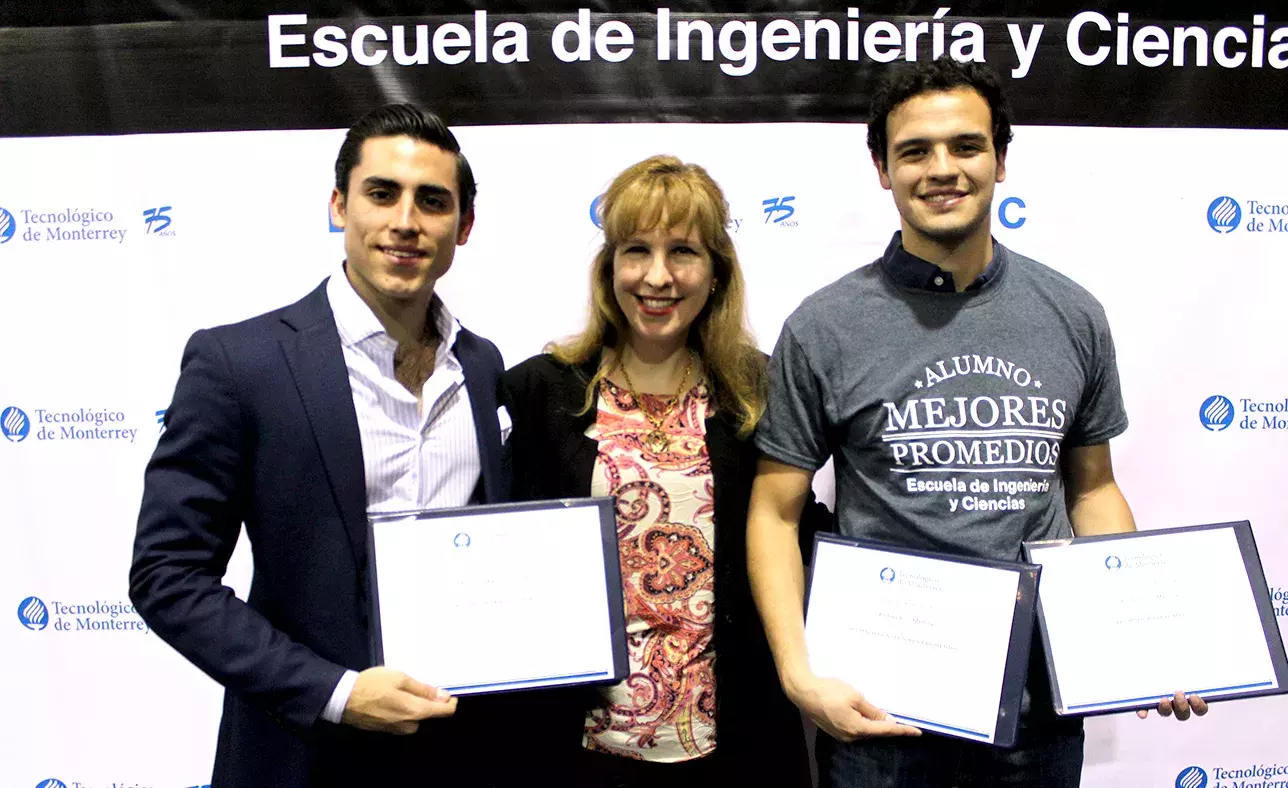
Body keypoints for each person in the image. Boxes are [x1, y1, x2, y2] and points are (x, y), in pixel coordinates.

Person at [746, 59, 1207, 788]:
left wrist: (1132, 638)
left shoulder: (1073, 313)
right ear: (881, 169)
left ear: (1000, 160)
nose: (942, 169)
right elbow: (774, 514)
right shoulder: (823, 327)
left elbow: (1093, 491)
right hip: (880, 715)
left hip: (1039, 712)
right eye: (914, 151)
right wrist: (800, 675)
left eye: (966, 146)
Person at [129, 103, 509, 788]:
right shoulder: (239, 364)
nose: (405, 222)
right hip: (300, 752)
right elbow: (167, 575)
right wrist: (336, 692)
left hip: (459, 751)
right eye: (381, 193)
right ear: (339, 205)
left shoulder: (480, 368)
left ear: (464, 227)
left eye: (432, 201)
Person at [498, 155, 818, 788]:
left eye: (684, 252)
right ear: (608, 267)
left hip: (733, 746)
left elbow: (793, 533)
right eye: (636, 250)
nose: (658, 277)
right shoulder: (539, 392)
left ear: (717, 271)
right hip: (577, 747)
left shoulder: (760, 392)